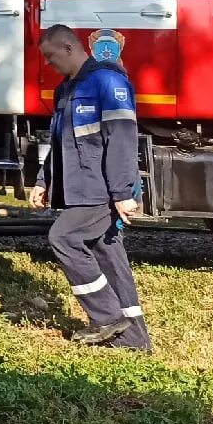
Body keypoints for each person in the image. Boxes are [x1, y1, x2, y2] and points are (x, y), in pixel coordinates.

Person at [28, 24, 151, 350]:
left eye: (51, 57)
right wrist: (44, 180)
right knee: (108, 256)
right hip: (79, 189)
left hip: (101, 190)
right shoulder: (65, 89)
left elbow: (122, 139)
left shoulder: (108, 82)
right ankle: (134, 342)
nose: (48, 65)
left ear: (69, 48)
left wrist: (123, 193)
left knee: (63, 237)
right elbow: (59, 142)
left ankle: (107, 318)